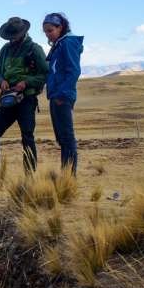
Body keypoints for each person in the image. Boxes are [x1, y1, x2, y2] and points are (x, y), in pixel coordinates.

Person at [0, 17, 48, 174]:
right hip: (7, 99)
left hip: (26, 99)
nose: (12, 39)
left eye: (14, 35)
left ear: (23, 33)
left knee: (27, 135)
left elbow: (46, 74)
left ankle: (29, 175)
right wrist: (2, 81)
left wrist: (26, 82)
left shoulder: (35, 49)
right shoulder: (5, 50)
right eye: (10, 36)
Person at [43, 13, 83, 176]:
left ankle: (69, 178)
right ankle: (66, 173)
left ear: (61, 27)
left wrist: (62, 94)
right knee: (62, 138)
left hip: (62, 96)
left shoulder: (67, 43)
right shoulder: (59, 44)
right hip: (56, 95)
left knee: (67, 137)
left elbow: (74, 70)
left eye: (50, 30)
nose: (47, 34)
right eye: (45, 32)